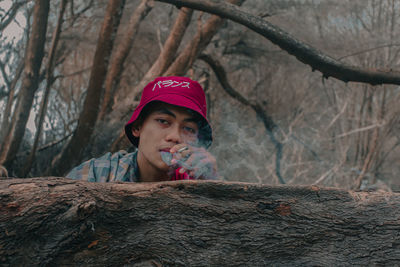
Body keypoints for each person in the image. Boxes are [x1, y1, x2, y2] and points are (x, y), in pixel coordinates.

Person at [66, 76, 217, 182]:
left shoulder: (200, 181)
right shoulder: (97, 175)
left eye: (189, 129)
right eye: (163, 121)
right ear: (138, 127)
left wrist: (212, 186)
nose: (175, 136)